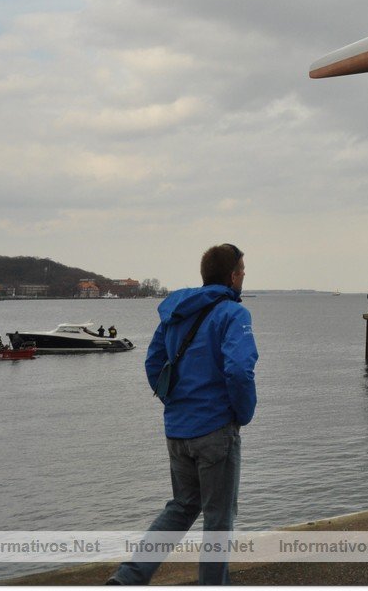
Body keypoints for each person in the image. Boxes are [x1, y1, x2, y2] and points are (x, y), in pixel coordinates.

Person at [108, 243, 258, 585]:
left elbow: (152, 363)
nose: (244, 279)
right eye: (243, 273)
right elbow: (238, 371)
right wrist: (242, 414)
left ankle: (127, 579)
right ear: (233, 276)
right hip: (216, 431)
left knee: (182, 506)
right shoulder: (234, 314)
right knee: (219, 521)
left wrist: (174, 403)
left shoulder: (178, 312)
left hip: (177, 430)